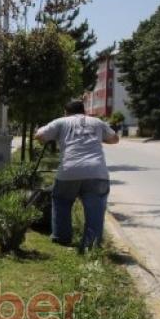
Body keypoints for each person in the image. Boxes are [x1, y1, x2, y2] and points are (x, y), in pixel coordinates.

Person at [35, 100, 119, 251]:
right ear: (84, 111)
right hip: (97, 171)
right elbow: (114, 139)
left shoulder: (61, 121)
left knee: (61, 200)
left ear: (66, 112)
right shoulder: (97, 122)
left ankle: (62, 238)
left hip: (69, 171)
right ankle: (91, 244)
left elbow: (40, 136)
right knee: (95, 208)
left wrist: (50, 133)